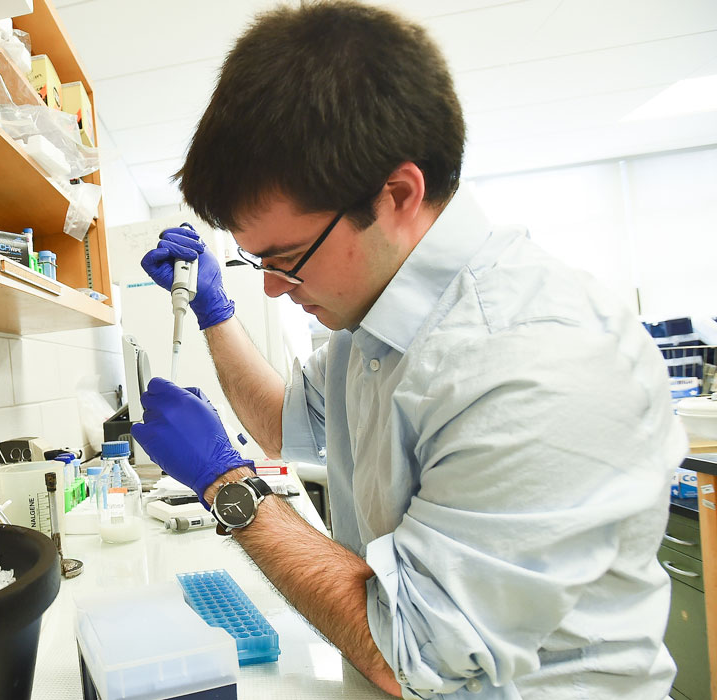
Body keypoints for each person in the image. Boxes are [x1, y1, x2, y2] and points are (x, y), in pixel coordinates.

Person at [130, 2, 687, 698]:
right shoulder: (376, 323)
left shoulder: (531, 362)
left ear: (397, 193)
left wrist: (228, 488)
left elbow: (414, 653)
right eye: (256, 264)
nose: (272, 289)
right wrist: (215, 309)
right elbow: (290, 424)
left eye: (286, 258)